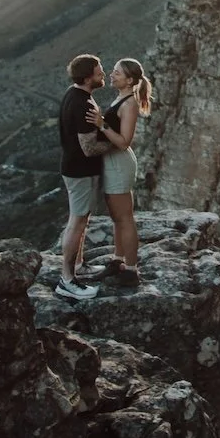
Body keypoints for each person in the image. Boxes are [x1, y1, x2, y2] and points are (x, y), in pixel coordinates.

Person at [54, 53, 114, 300]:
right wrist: (116, 142)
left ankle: (79, 265)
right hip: (81, 172)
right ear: (88, 75)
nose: (103, 74)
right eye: (99, 71)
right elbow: (89, 148)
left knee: (81, 220)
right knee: (77, 222)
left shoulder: (74, 94)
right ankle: (67, 280)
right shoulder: (84, 105)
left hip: (74, 169)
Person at [92, 57, 154, 288]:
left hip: (119, 163)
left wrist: (101, 124)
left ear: (129, 80)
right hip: (112, 162)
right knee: (117, 218)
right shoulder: (122, 98)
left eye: (116, 72)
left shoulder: (130, 104)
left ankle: (130, 270)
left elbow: (124, 141)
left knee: (125, 218)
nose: (111, 74)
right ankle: (118, 261)